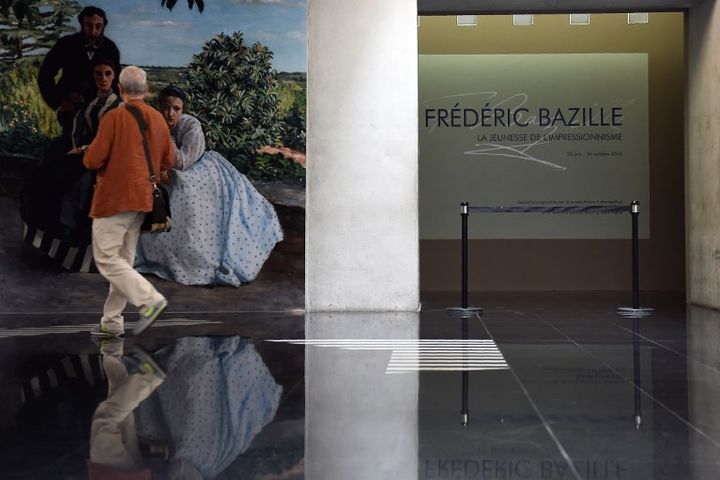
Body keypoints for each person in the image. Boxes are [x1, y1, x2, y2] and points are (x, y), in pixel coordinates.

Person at [134, 86, 284, 287]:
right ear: (159, 107)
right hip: (169, 168)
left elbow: (183, 162)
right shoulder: (153, 123)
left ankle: (190, 254)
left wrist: (165, 143)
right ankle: (154, 252)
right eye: (166, 108)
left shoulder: (191, 126)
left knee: (183, 187)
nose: (170, 113)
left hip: (199, 168)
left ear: (183, 109)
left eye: (176, 109)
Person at [83, 66, 174, 337]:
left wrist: (89, 153)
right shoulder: (158, 119)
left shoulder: (114, 117)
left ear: (120, 90)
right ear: (145, 91)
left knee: (106, 258)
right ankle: (111, 322)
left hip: (114, 197)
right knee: (122, 260)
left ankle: (149, 300)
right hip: (142, 198)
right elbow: (168, 160)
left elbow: (94, 160)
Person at [20, 57, 122, 272]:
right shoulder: (93, 102)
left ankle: (73, 248)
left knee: (76, 189)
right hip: (85, 155)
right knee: (45, 179)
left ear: (114, 77)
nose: (103, 79)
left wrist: (85, 150)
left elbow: (112, 141)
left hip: (104, 161)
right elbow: (79, 130)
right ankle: (52, 246)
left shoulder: (118, 107)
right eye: (98, 74)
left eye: (107, 74)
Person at [37, 6, 120, 138]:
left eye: (98, 26)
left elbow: (115, 82)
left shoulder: (110, 48)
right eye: (89, 25)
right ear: (81, 23)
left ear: (104, 26)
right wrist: (58, 103)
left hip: (99, 112)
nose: (93, 31)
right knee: (69, 149)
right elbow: (45, 75)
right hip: (70, 110)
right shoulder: (66, 44)